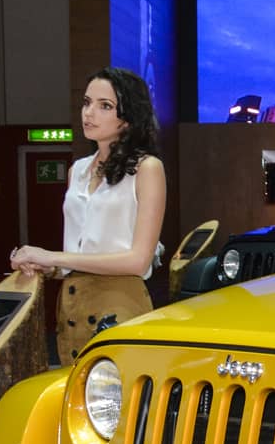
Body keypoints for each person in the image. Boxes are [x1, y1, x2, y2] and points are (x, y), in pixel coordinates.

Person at [10, 66, 166, 363]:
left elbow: (138, 260)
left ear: (129, 116)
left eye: (104, 105)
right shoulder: (78, 170)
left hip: (119, 304)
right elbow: (79, 252)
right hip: (70, 305)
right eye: (86, 102)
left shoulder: (147, 169)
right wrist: (44, 266)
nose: (89, 113)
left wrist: (53, 257)